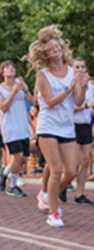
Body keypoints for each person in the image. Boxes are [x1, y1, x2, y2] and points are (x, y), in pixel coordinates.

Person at [27, 25, 87, 227]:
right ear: (46, 54)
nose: (56, 52)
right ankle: (53, 213)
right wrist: (69, 88)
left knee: (71, 170)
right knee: (56, 169)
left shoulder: (72, 72)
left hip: (66, 126)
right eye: (52, 50)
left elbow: (78, 102)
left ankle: (49, 196)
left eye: (58, 48)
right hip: (48, 126)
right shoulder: (42, 74)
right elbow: (50, 101)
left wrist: (82, 86)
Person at [0, 61, 34, 197]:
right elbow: (3, 107)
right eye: (7, 67)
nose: (11, 69)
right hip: (10, 127)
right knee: (18, 157)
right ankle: (12, 186)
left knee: (23, 159)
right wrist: (13, 91)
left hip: (22, 126)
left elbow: (32, 102)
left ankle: (4, 172)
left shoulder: (21, 85)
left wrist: (25, 90)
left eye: (12, 67)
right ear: (3, 73)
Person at [72, 57, 94, 205]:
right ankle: (60, 188)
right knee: (72, 162)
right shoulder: (70, 85)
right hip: (71, 125)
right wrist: (86, 106)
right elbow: (70, 108)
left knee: (85, 161)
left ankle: (80, 194)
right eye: (77, 67)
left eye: (82, 67)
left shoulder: (91, 87)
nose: (80, 70)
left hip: (85, 125)